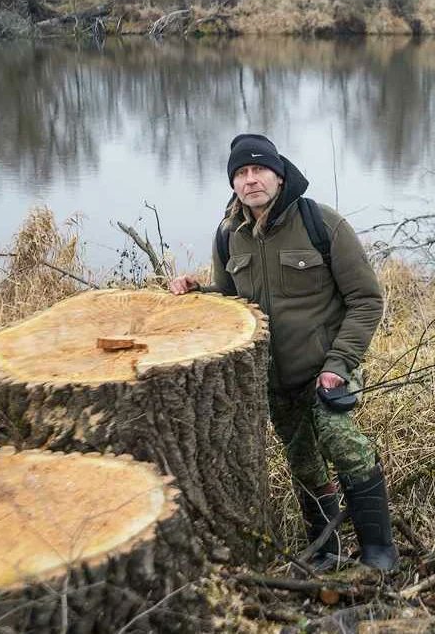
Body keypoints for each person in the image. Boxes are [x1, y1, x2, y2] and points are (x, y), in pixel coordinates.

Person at [169, 133, 396, 572]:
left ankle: (379, 553)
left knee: (340, 441)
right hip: (274, 378)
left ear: (279, 174)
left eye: (259, 170)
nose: (251, 180)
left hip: (328, 367)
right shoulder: (227, 235)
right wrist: (198, 293)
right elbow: (234, 305)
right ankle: (326, 554)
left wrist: (338, 365)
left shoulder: (321, 224)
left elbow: (367, 300)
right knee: (303, 463)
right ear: (234, 183)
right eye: (241, 173)